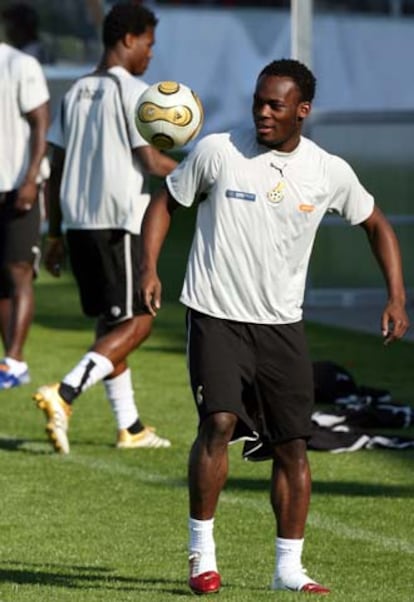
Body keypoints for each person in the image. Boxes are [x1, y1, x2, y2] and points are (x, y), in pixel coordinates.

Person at [139, 58, 409, 595]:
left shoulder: (328, 171)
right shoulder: (219, 151)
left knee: (292, 446)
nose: (262, 112)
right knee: (218, 423)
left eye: (275, 105)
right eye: (258, 101)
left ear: (302, 112)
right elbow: (166, 203)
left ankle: (288, 569)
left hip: (281, 325)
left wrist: (397, 296)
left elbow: (376, 223)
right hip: (215, 313)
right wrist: (148, 268)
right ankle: (202, 556)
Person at [33, 2, 178, 454]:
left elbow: (54, 166)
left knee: (111, 323)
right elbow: (151, 160)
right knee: (140, 322)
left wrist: (54, 232)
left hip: (78, 222)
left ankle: (129, 426)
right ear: (129, 39)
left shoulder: (75, 91)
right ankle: (66, 391)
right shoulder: (135, 92)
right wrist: (199, 174)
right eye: (150, 45)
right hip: (119, 221)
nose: (151, 55)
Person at [0, 21, 50, 389]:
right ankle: (10, 364)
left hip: (18, 187)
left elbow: (40, 122)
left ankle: (15, 359)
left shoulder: (18, 64)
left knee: (19, 271)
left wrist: (31, 179)